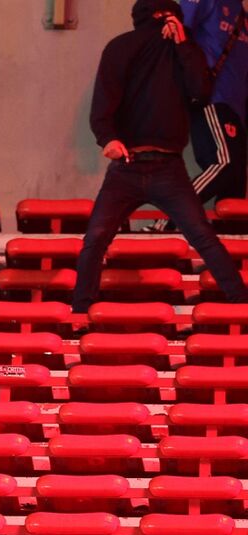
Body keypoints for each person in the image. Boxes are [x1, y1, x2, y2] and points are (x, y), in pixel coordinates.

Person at [73, 0, 248, 312]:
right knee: (97, 237)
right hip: (136, 165)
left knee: (200, 236)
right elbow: (105, 103)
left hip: (161, 166)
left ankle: (241, 302)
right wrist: (108, 139)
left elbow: (200, 91)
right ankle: (80, 311)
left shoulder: (181, 51)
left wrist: (183, 44)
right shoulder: (126, 47)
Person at [147, 0, 248, 230]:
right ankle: (164, 222)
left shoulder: (241, 13)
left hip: (237, 109)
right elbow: (174, 33)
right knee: (224, 162)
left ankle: (227, 245)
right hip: (212, 99)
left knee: (235, 181)